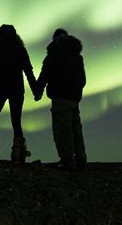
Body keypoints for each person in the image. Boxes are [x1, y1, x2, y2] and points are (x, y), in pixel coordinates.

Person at [0, 24, 37, 163]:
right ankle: (18, 154)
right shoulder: (20, 50)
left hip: (0, 88)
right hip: (17, 89)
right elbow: (29, 72)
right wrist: (36, 90)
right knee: (16, 122)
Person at [35, 28, 87, 170]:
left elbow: (44, 76)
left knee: (62, 131)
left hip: (60, 98)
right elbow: (83, 80)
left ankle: (67, 160)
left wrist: (38, 92)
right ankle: (81, 159)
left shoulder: (53, 56)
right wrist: (76, 90)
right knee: (76, 130)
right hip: (74, 99)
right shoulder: (77, 56)